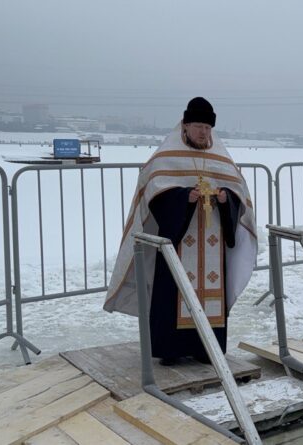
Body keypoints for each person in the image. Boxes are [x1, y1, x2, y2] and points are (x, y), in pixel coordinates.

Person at [104, 97, 258, 365]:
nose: (203, 132)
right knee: (172, 293)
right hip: (176, 241)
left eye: (208, 128)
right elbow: (154, 195)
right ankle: (171, 349)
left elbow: (239, 195)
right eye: (198, 126)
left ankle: (206, 348)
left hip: (212, 239)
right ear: (185, 126)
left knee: (211, 293)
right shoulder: (166, 157)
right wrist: (183, 198)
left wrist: (226, 200)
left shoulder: (220, 159)